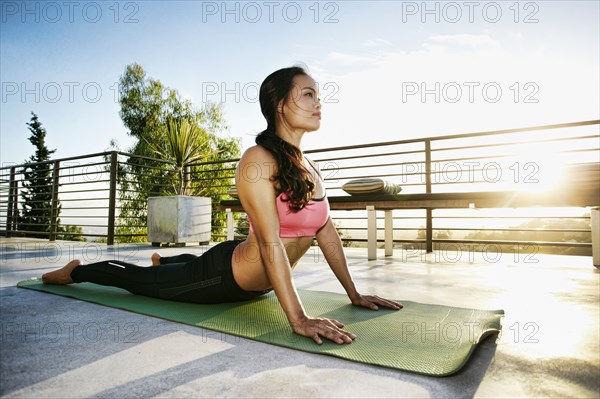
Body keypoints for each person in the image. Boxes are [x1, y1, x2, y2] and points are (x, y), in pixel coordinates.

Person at [42, 66, 403, 345]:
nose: (318, 102)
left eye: (318, 95)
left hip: (257, 279)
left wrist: (353, 293)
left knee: (175, 267)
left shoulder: (309, 166)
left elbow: (326, 233)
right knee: (136, 281)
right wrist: (298, 318)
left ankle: (167, 261)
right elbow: (268, 242)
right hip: (222, 277)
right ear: (280, 105)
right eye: (308, 94)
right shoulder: (257, 160)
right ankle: (76, 271)